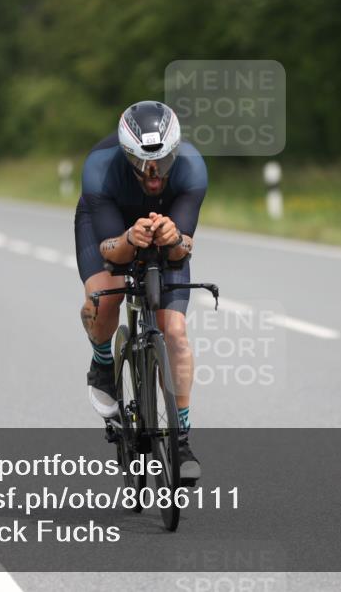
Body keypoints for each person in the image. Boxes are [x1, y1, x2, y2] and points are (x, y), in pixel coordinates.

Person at [74, 100, 207, 481]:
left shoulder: (193, 167)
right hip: (110, 225)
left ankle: (180, 439)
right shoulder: (100, 167)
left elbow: (182, 248)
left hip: (168, 226)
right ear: (126, 154)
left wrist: (174, 237)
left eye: (163, 162)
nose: (153, 173)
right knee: (105, 296)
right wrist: (131, 238)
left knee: (176, 334)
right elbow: (108, 251)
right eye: (143, 163)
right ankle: (102, 362)